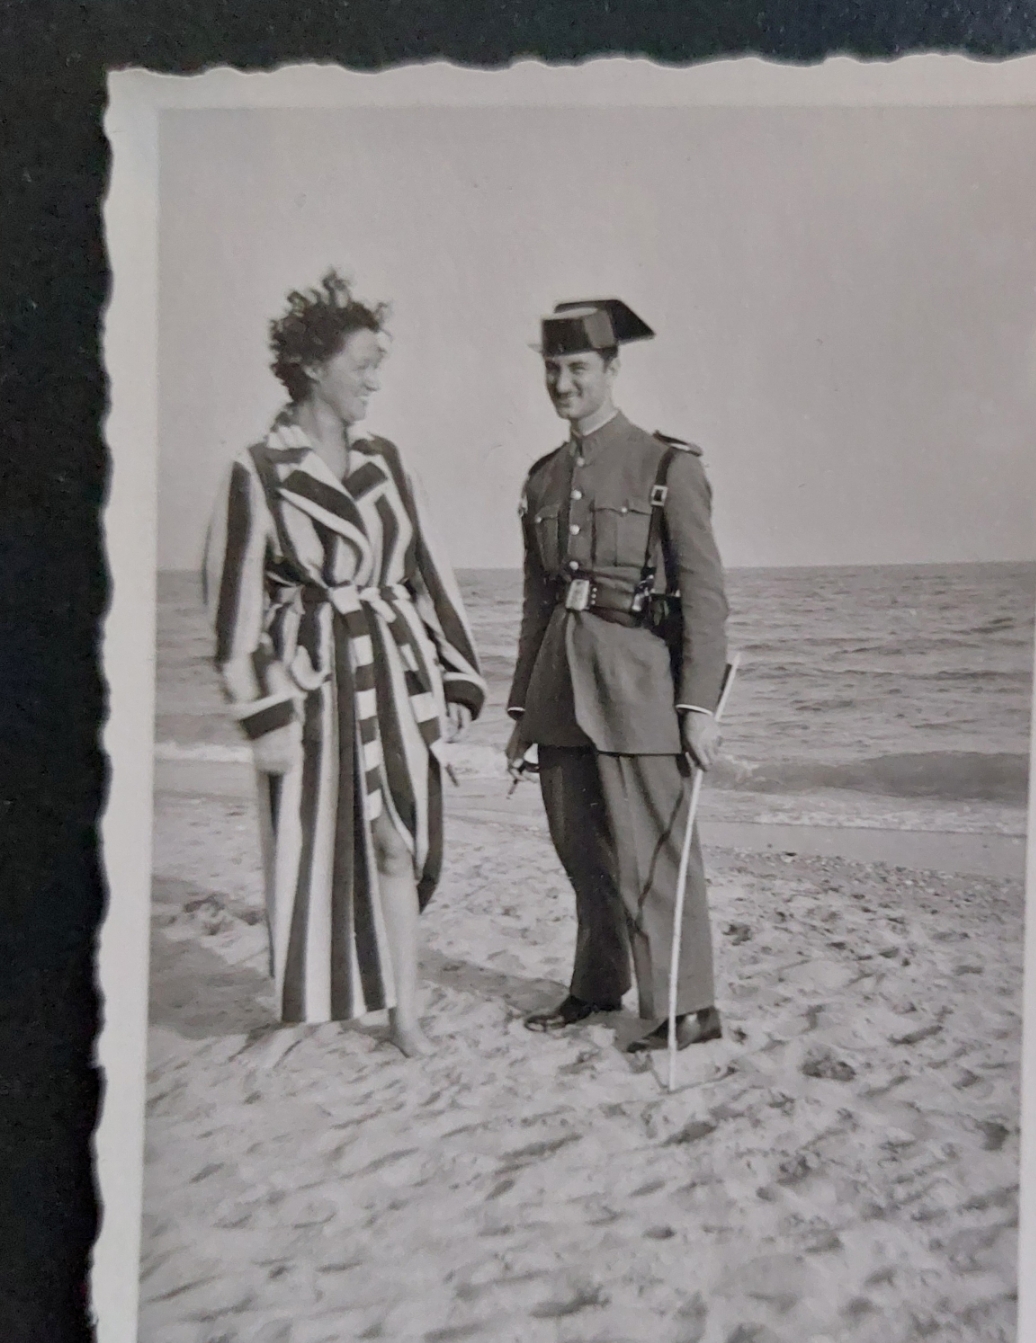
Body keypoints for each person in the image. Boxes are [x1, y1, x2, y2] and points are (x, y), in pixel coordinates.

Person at [204, 271, 485, 1058]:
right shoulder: (257, 469)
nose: (374, 380)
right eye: (362, 364)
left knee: (398, 841)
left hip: (390, 669)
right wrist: (263, 712)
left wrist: (457, 673)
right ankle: (301, 1014)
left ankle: (403, 1014)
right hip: (309, 681)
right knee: (306, 849)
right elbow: (232, 608)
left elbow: (430, 570)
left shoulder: (387, 461)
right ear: (313, 365)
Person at [505, 299, 728, 1052]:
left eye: (577, 369)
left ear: (612, 368)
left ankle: (687, 1007)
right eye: (552, 369)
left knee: (654, 852)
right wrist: (521, 710)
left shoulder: (667, 466)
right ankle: (599, 984)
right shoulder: (542, 479)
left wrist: (698, 705)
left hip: (638, 685)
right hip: (560, 687)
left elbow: (705, 595)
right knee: (583, 851)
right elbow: (538, 602)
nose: (562, 384)